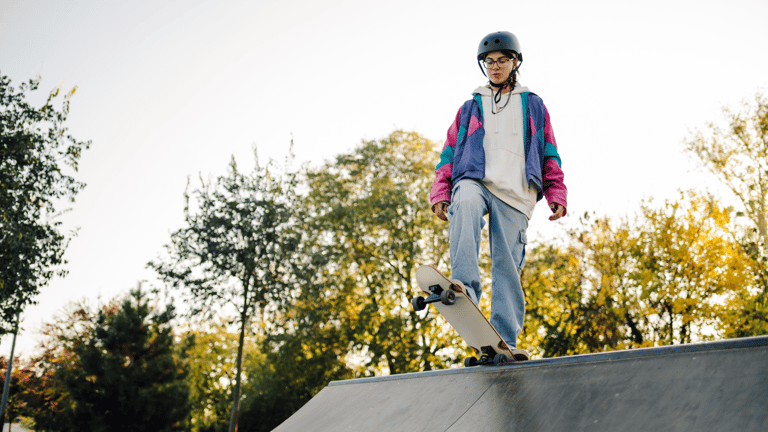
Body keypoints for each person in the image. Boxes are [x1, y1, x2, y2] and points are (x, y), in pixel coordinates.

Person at [429, 31, 568, 353]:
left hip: (517, 192)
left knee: (507, 267)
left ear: (515, 62)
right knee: (464, 201)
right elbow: (450, 152)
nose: (495, 67)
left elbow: (548, 151)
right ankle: (464, 285)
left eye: (502, 61)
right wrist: (440, 191)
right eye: (489, 62)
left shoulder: (533, 104)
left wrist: (556, 192)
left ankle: (504, 339)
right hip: (475, 180)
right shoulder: (470, 107)